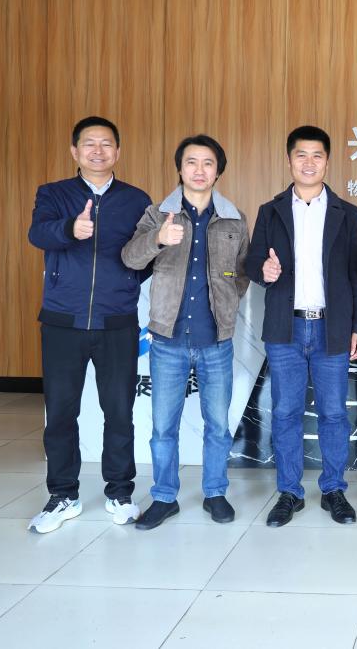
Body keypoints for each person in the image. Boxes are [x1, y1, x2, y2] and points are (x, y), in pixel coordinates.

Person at [26, 116, 151, 534]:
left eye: (106, 144)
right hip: (63, 321)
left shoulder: (136, 199)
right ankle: (63, 495)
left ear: (118, 151)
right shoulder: (54, 193)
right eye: (89, 144)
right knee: (62, 412)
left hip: (117, 322)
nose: (98, 151)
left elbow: (146, 254)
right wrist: (70, 228)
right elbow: (38, 234)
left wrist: (127, 281)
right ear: (75, 151)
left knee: (119, 411)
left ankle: (120, 492)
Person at [122, 135, 249, 530]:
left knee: (217, 426)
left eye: (208, 163)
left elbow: (242, 273)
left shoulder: (234, 219)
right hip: (167, 340)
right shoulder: (157, 215)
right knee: (163, 428)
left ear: (218, 171)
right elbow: (130, 257)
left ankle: (215, 493)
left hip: (216, 341)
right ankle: (164, 497)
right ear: (179, 168)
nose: (199, 170)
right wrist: (158, 239)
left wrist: (226, 302)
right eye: (191, 162)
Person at [245, 126, 357, 527]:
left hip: (333, 328)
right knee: (285, 412)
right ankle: (289, 492)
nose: (309, 162)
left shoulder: (349, 215)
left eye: (317, 155)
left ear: (327, 162)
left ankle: (333, 489)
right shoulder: (271, 211)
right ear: (289, 161)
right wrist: (263, 271)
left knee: (333, 412)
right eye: (301, 155)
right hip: (286, 329)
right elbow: (253, 263)